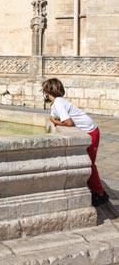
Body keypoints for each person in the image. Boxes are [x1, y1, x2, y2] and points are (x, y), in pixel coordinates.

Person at [42, 78, 109, 207]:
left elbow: (69, 123)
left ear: (47, 92)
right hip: (91, 130)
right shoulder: (59, 102)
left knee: (89, 164)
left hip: (91, 133)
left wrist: (54, 121)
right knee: (88, 163)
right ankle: (97, 190)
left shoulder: (58, 103)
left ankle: (100, 194)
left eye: (44, 91)